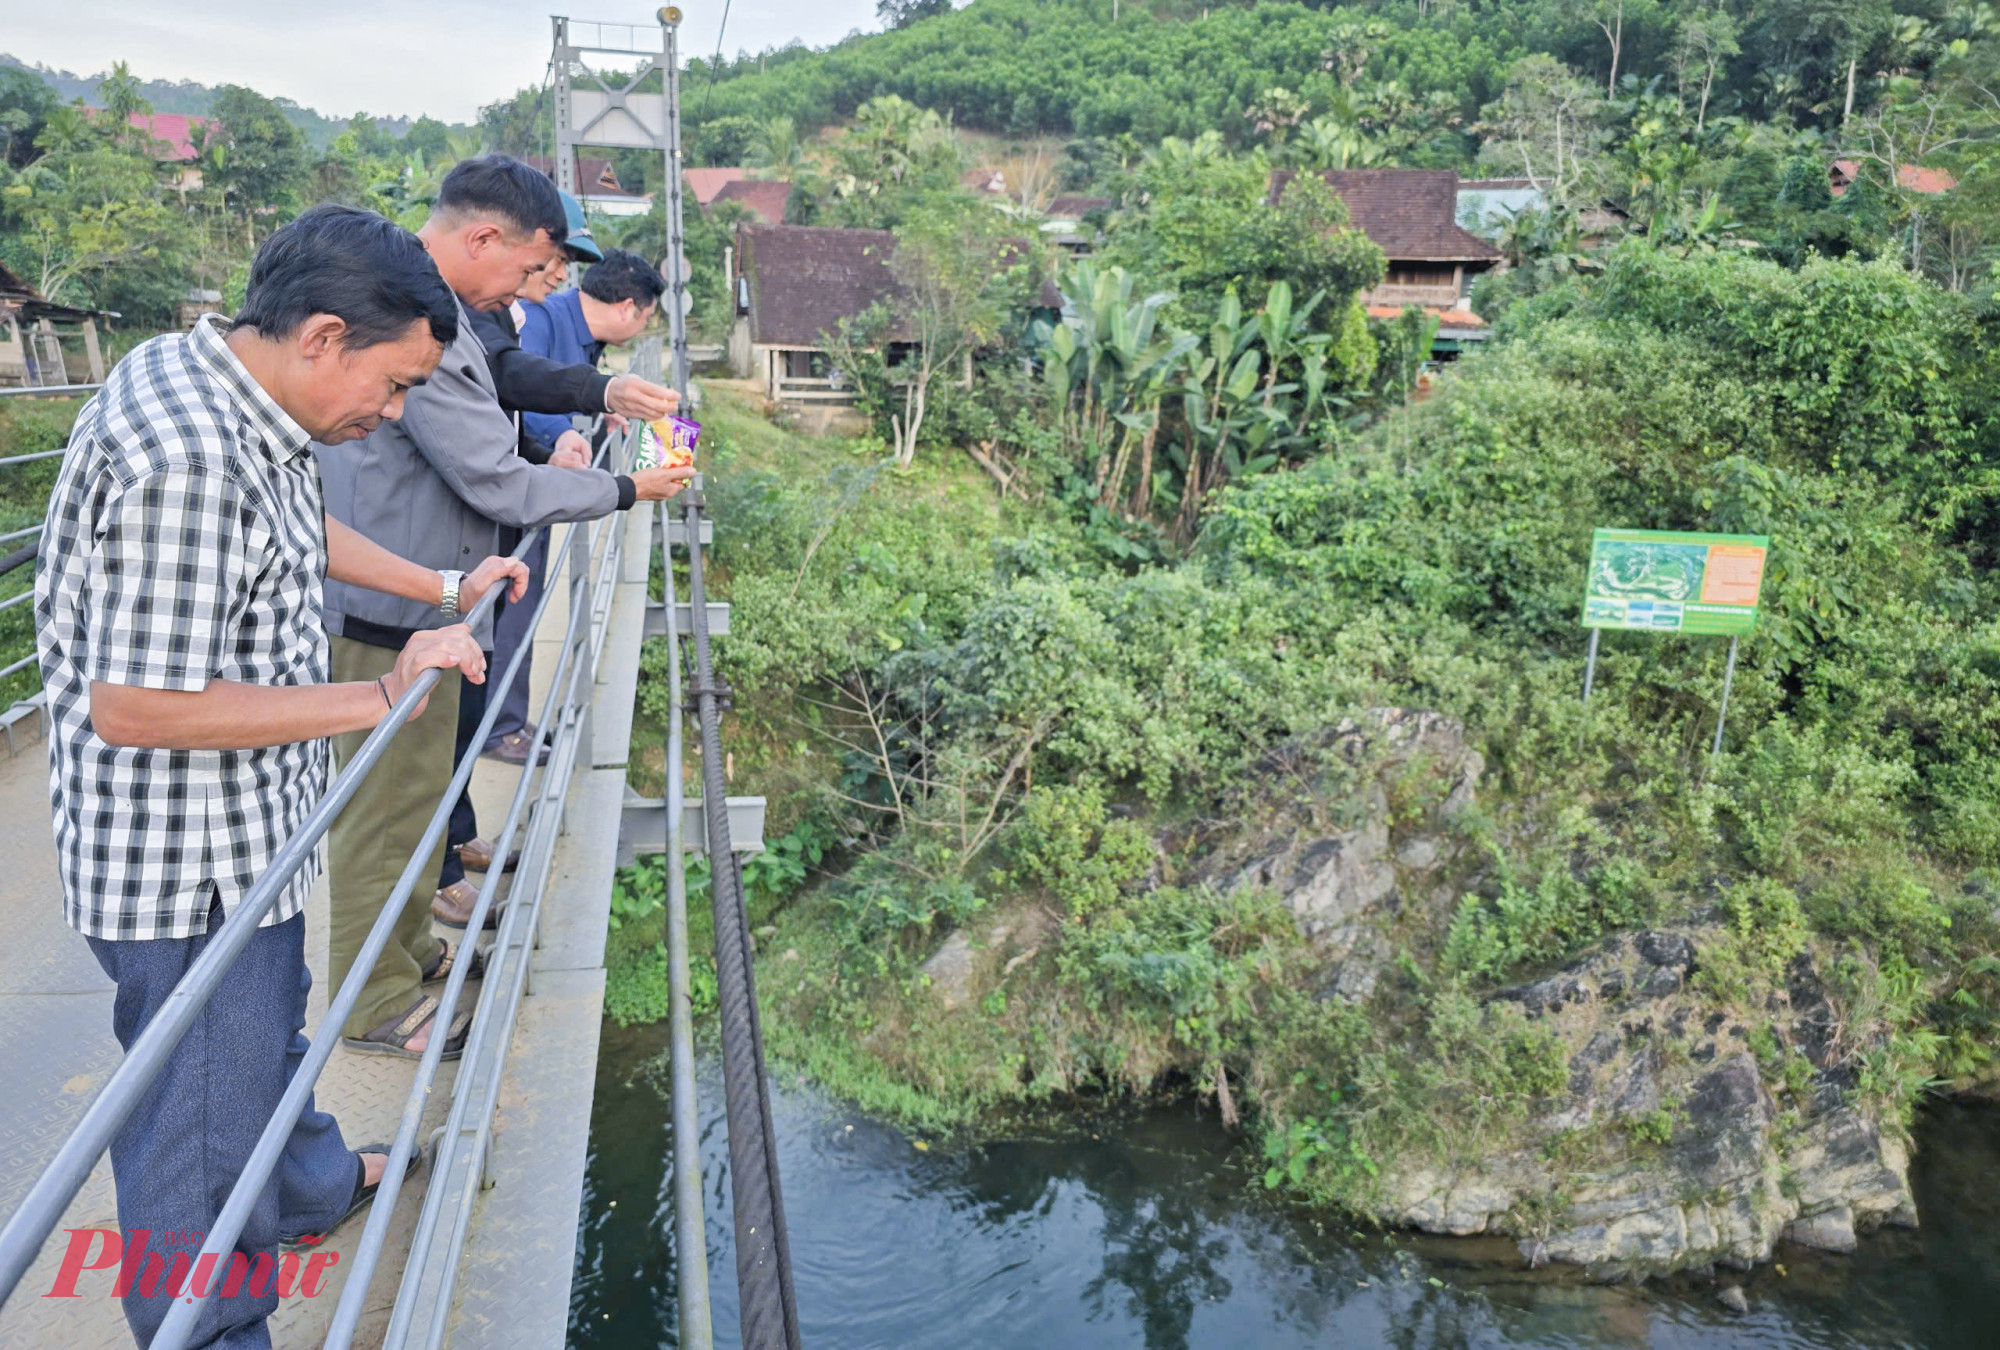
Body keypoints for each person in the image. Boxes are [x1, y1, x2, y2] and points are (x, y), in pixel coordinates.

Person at [33, 204, 527, 1350]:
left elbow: (291, 521)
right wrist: (379, 698)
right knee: (191, 1140)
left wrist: (441, 589)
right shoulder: (193, 457)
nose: (391, 414)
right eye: (394, 385)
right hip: (187, 869)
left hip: (242, 830)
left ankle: (305, 1190)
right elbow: (139, 706)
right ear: (319, 337)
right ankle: (205, 1334)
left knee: (261, 1036)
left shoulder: (206, 373)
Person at [315, 154, 693, 1059]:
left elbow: (508, 378)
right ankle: (372, 1004)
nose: (534, 290)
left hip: (426, 601)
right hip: (388, 611)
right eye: (530, 270)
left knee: (418, 801)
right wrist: (627, 491)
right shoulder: (414, 327)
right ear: (481, 238)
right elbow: (493, 476)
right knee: (385, 815)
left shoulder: (445, 315)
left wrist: (603, 391)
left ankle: (405, 954)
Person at [483, 246, 669, 767]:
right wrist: (565, 431)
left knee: (525, 603)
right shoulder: (541, 319)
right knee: (514, 607)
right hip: (518, 488)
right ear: (630, 308)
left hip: (538, 482)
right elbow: (522, 390)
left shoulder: (578, 332)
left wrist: (598, 416)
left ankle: (509, 716)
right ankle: (500, 726)